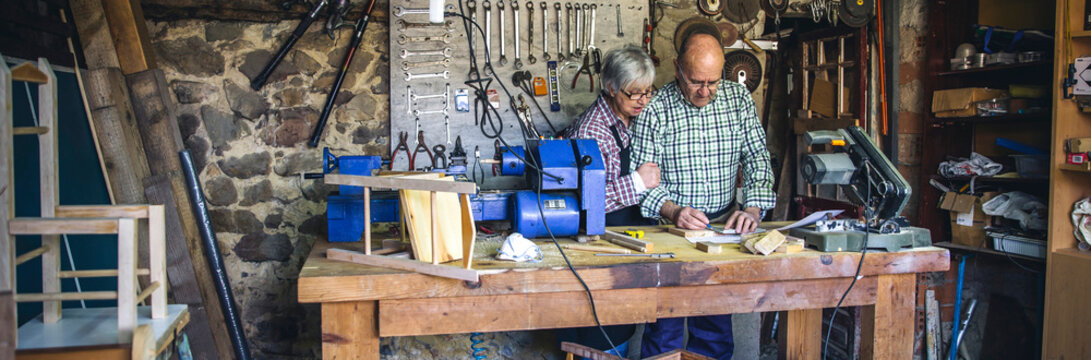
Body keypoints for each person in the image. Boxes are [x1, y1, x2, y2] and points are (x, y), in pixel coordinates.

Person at [628, 32, 776, 359]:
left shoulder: (737, 100)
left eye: (713, 82)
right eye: (696, 82)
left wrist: (751, 209)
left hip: (723, 231)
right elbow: (642, 179)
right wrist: (672, 210)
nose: (705, 92)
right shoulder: (656, 109)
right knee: (664, 333)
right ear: (678, 68)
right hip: (671, 234)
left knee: (714, 333)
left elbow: (757, 157)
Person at [558, 44, 660, 356]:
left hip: (625, 241)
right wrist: (638, 181)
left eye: (647, 91)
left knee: (623, 320)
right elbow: (585, 203)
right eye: (634, 93)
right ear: (611, 87)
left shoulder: (632, 117)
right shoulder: (592, 130)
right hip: (599, 247)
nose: (643, 100)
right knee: (602, 329)